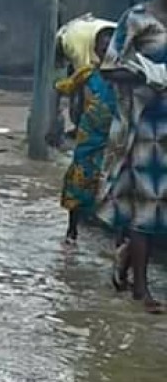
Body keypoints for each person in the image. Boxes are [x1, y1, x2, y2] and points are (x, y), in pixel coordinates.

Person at [97, 0, 167, 313]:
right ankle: (142, 290)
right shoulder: (137, 20)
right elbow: (108, 69)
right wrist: (144, 75)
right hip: (145, 128)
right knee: (147, 207)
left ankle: (125, 259)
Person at [54, 16, 117, 244]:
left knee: (112, 183)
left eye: (111, 44)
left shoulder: (127, 78)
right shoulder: (87, 74)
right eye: (102, 45)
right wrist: (55, 119)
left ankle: (116, 235)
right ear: (95, 50)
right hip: (89, 136)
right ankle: (72, 232)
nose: (106, 48)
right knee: (79, 179)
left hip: (115, 138)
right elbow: (62, 89)